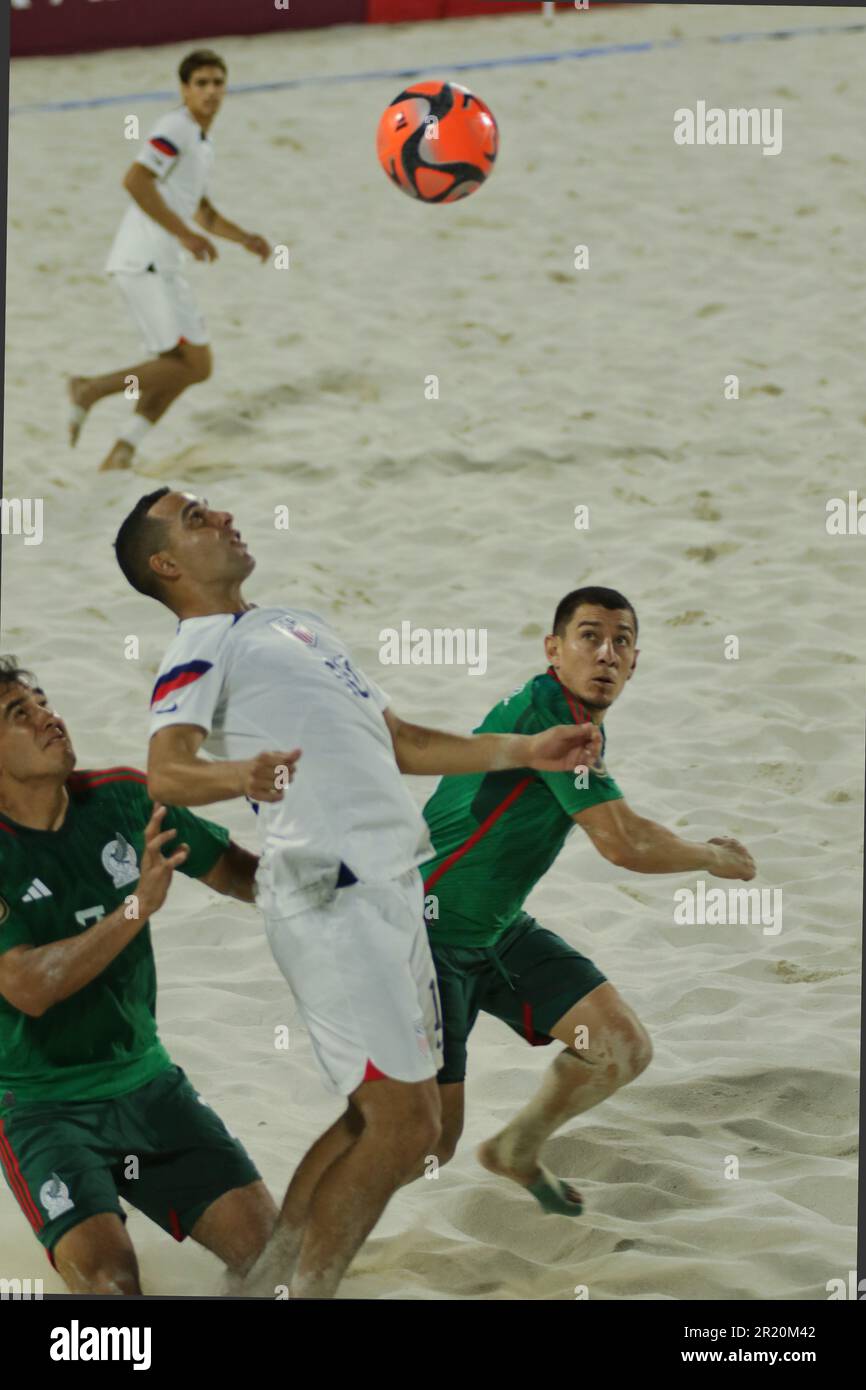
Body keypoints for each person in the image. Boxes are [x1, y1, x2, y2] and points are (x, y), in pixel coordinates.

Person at [112, 487, 601, 1298]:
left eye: (213, 507)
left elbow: (400, 739)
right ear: (165, 565)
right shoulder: (198, 643)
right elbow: (167, 767)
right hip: (328, 896)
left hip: (393, 888)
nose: (223, 515)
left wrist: (526, 749)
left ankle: (266, 1277)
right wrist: (242, 775)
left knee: (415, 1125)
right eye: (196, 518)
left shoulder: (291, 623)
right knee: (405, 1127)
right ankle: (306, 1291)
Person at [417, 587, 756, 1214]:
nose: (606, 653)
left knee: (620, 1048)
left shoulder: (574, 717)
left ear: (634, 662)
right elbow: (624, 845)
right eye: (590, 636)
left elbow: (622, 825)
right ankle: (288, 1254)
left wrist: (693, 848)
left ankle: (516, 1149)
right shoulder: (557, 722)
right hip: (423, 938)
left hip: (495, 931)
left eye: (621, 641)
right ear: (555, 648)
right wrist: (712, 856)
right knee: (427, 1143)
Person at [0, 657, 277, 1294]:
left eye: (43, 701)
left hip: (149, 1086)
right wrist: (135, 907)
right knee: (111, 1286)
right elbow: (28, 987)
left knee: (279, 1264)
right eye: (21, 713)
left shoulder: (125, 796)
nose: (49, 717)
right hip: (44, 1108)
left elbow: (236, 873)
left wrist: (335, 879)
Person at [68, 49, 269, 471]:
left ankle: (122, 449)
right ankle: (90, 390)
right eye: (201, 83)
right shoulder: (175, 127)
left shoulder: (199, 138)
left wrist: (244, 238)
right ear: (184, 89)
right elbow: (135, 180)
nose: (212, 91)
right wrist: (186, 236)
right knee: (191, 366)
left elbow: (201, 209)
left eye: (218, 82)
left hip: (161, 263)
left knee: (188, 366)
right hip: (143, 261)